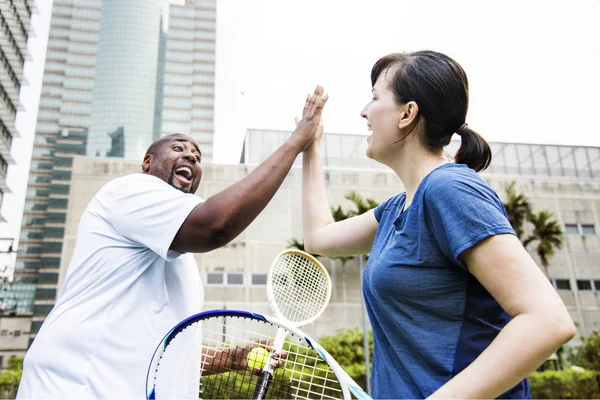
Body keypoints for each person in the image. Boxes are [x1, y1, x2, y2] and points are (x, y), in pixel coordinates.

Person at [17, 87, 328, 399]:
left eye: (197, 155)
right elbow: (215, 227)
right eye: (178, 148)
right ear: (148, 162)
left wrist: (232, 358)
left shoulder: (180, 259)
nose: (191, 155)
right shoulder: (129, 191)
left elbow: (167, 348)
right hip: (75, 387)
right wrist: (297, 140)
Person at [301, 51, 575, 399]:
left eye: (374, 96)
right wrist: (311, 145)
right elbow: (319, 237)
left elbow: (547, 322)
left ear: (407, 113)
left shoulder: (450, 190)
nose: (363, 111)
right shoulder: (397, 209)